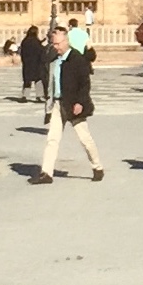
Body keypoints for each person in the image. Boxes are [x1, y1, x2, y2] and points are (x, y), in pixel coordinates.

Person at [35, 23, 103, 183]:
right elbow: (50, 82)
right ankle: (46, 173)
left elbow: (85, 83)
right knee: (52, 138)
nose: (55, 47)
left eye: (58, 44)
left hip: (74, 105)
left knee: (85, 139)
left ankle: (97, 166)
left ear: (66, 41)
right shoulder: (54, 60)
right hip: (58, 104)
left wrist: (80, 102)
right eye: (53, 43)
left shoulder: (77, 59)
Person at [16, 23, 46, 101]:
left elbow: (22, 52)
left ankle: (25, 95)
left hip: (27, 63)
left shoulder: (25, 41)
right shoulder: (36, 41)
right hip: (36, 63)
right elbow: (41, 51)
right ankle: (39, 96)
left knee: (27, 80)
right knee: (38, 80)